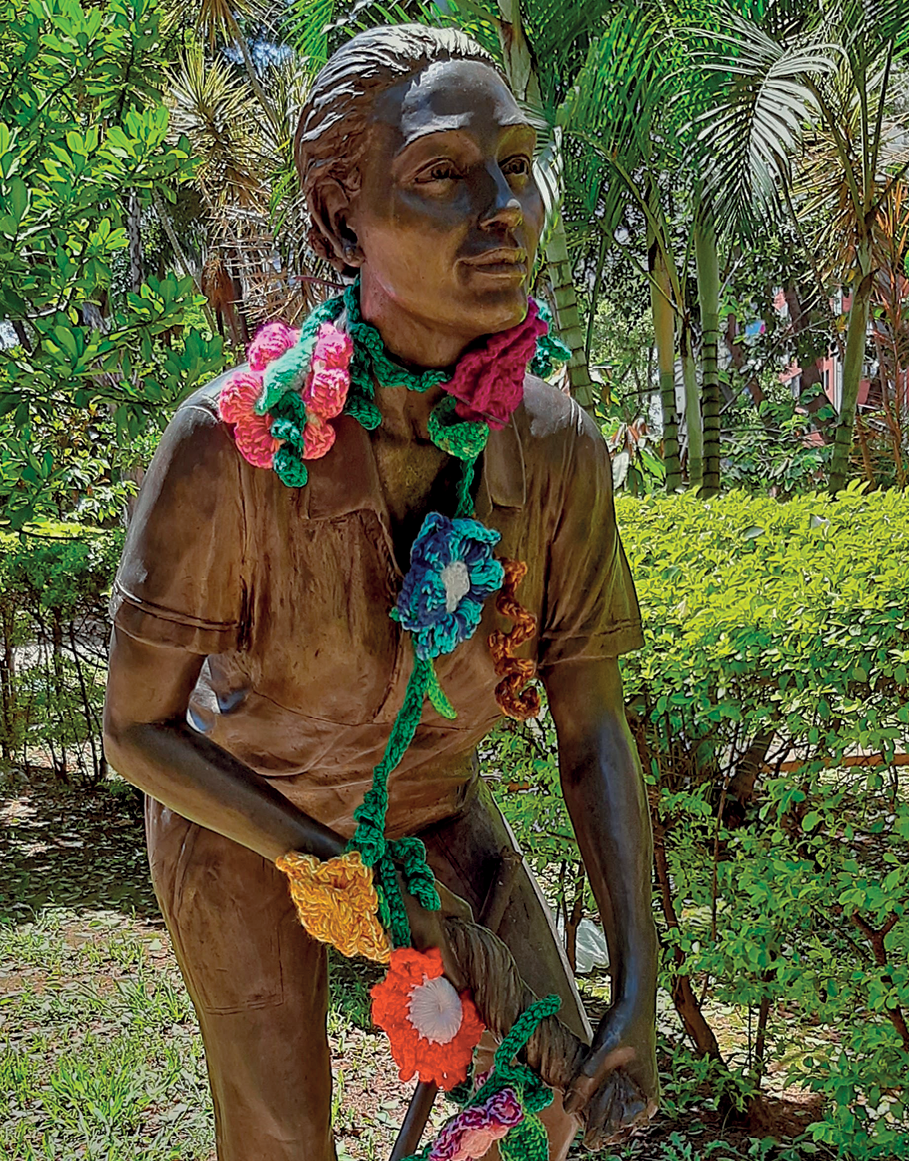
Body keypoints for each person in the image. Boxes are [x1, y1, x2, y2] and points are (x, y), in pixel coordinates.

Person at [103, 24, 658, 1161]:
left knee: (540, 1107)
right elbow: (135, 729)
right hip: (238, 817)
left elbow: (591, 728)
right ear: (341, 214)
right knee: (280, 1136)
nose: (503, 206)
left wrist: (640, 989)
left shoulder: (552, 448)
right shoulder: (231, 445)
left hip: (431, 807)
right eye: (442, 174)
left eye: (514, 162)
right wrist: (328, 868)